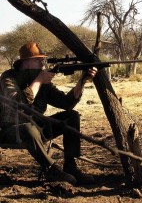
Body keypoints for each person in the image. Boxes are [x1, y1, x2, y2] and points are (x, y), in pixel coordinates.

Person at [0, 42, 98, 185]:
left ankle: (71, 166)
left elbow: (66, 103)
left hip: (37, 128)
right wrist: (39, 80)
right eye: (38, 60)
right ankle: (51, 169)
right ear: (25, 62)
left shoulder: (41, 80)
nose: (42, 63)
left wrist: (82, 81)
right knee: (28, 128)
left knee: (72, 116)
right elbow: (18, 104)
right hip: (11, 131)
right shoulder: (8, 77)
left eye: (43, 60)